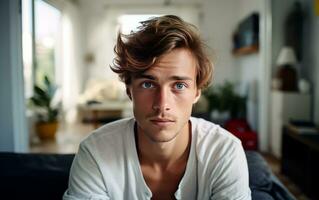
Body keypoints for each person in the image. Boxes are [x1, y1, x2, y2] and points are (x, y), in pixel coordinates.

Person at [63, 15, 251, 200]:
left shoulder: (223, 151)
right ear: (129, 90)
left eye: (179, 85)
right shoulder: (96, 152)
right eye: (147, 84)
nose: (162, 104)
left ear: (196, 92)